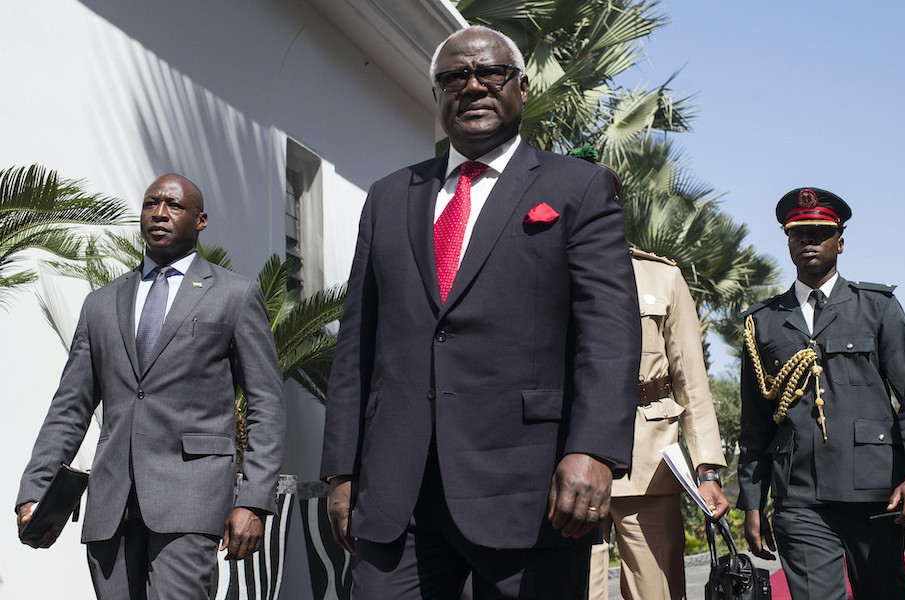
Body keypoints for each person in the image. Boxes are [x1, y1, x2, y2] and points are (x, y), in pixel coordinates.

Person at [319, 26, 640, 599]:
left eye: (490, 73)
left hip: (530, 491)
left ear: (519, 87)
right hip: (398, 493)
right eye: (454, 77)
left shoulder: (578, 188)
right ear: (438, 94)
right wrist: (342, 471)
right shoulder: (389, 196)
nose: (472, 86)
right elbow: (357, 346)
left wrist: (593, 449)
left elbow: (608, 333)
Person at [15, 174, 285, 599]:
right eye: (151, 203)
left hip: (191, 502)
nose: (159, 213)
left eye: (174, 206)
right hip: (110, 504)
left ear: (201, 220)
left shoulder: (235, 295)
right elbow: (70, 407)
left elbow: (266, 403)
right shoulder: (101, 304)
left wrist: (252, 499)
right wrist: (36, 490)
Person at [738, 187, 905, 599]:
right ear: (788, 241)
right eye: (798, 233)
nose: (808, 240)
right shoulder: (764, 322)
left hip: (876, 492)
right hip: (799, 496)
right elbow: (755, 422)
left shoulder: (877, 307)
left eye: (819, 231)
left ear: (840, 241)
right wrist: (752, 499)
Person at [586, 247, 731, 600]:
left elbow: (691, 382)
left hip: (649, 461)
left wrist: (707, 470)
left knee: (658, 593)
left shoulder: (662, 276)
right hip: (573, 462)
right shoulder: (552, 263)